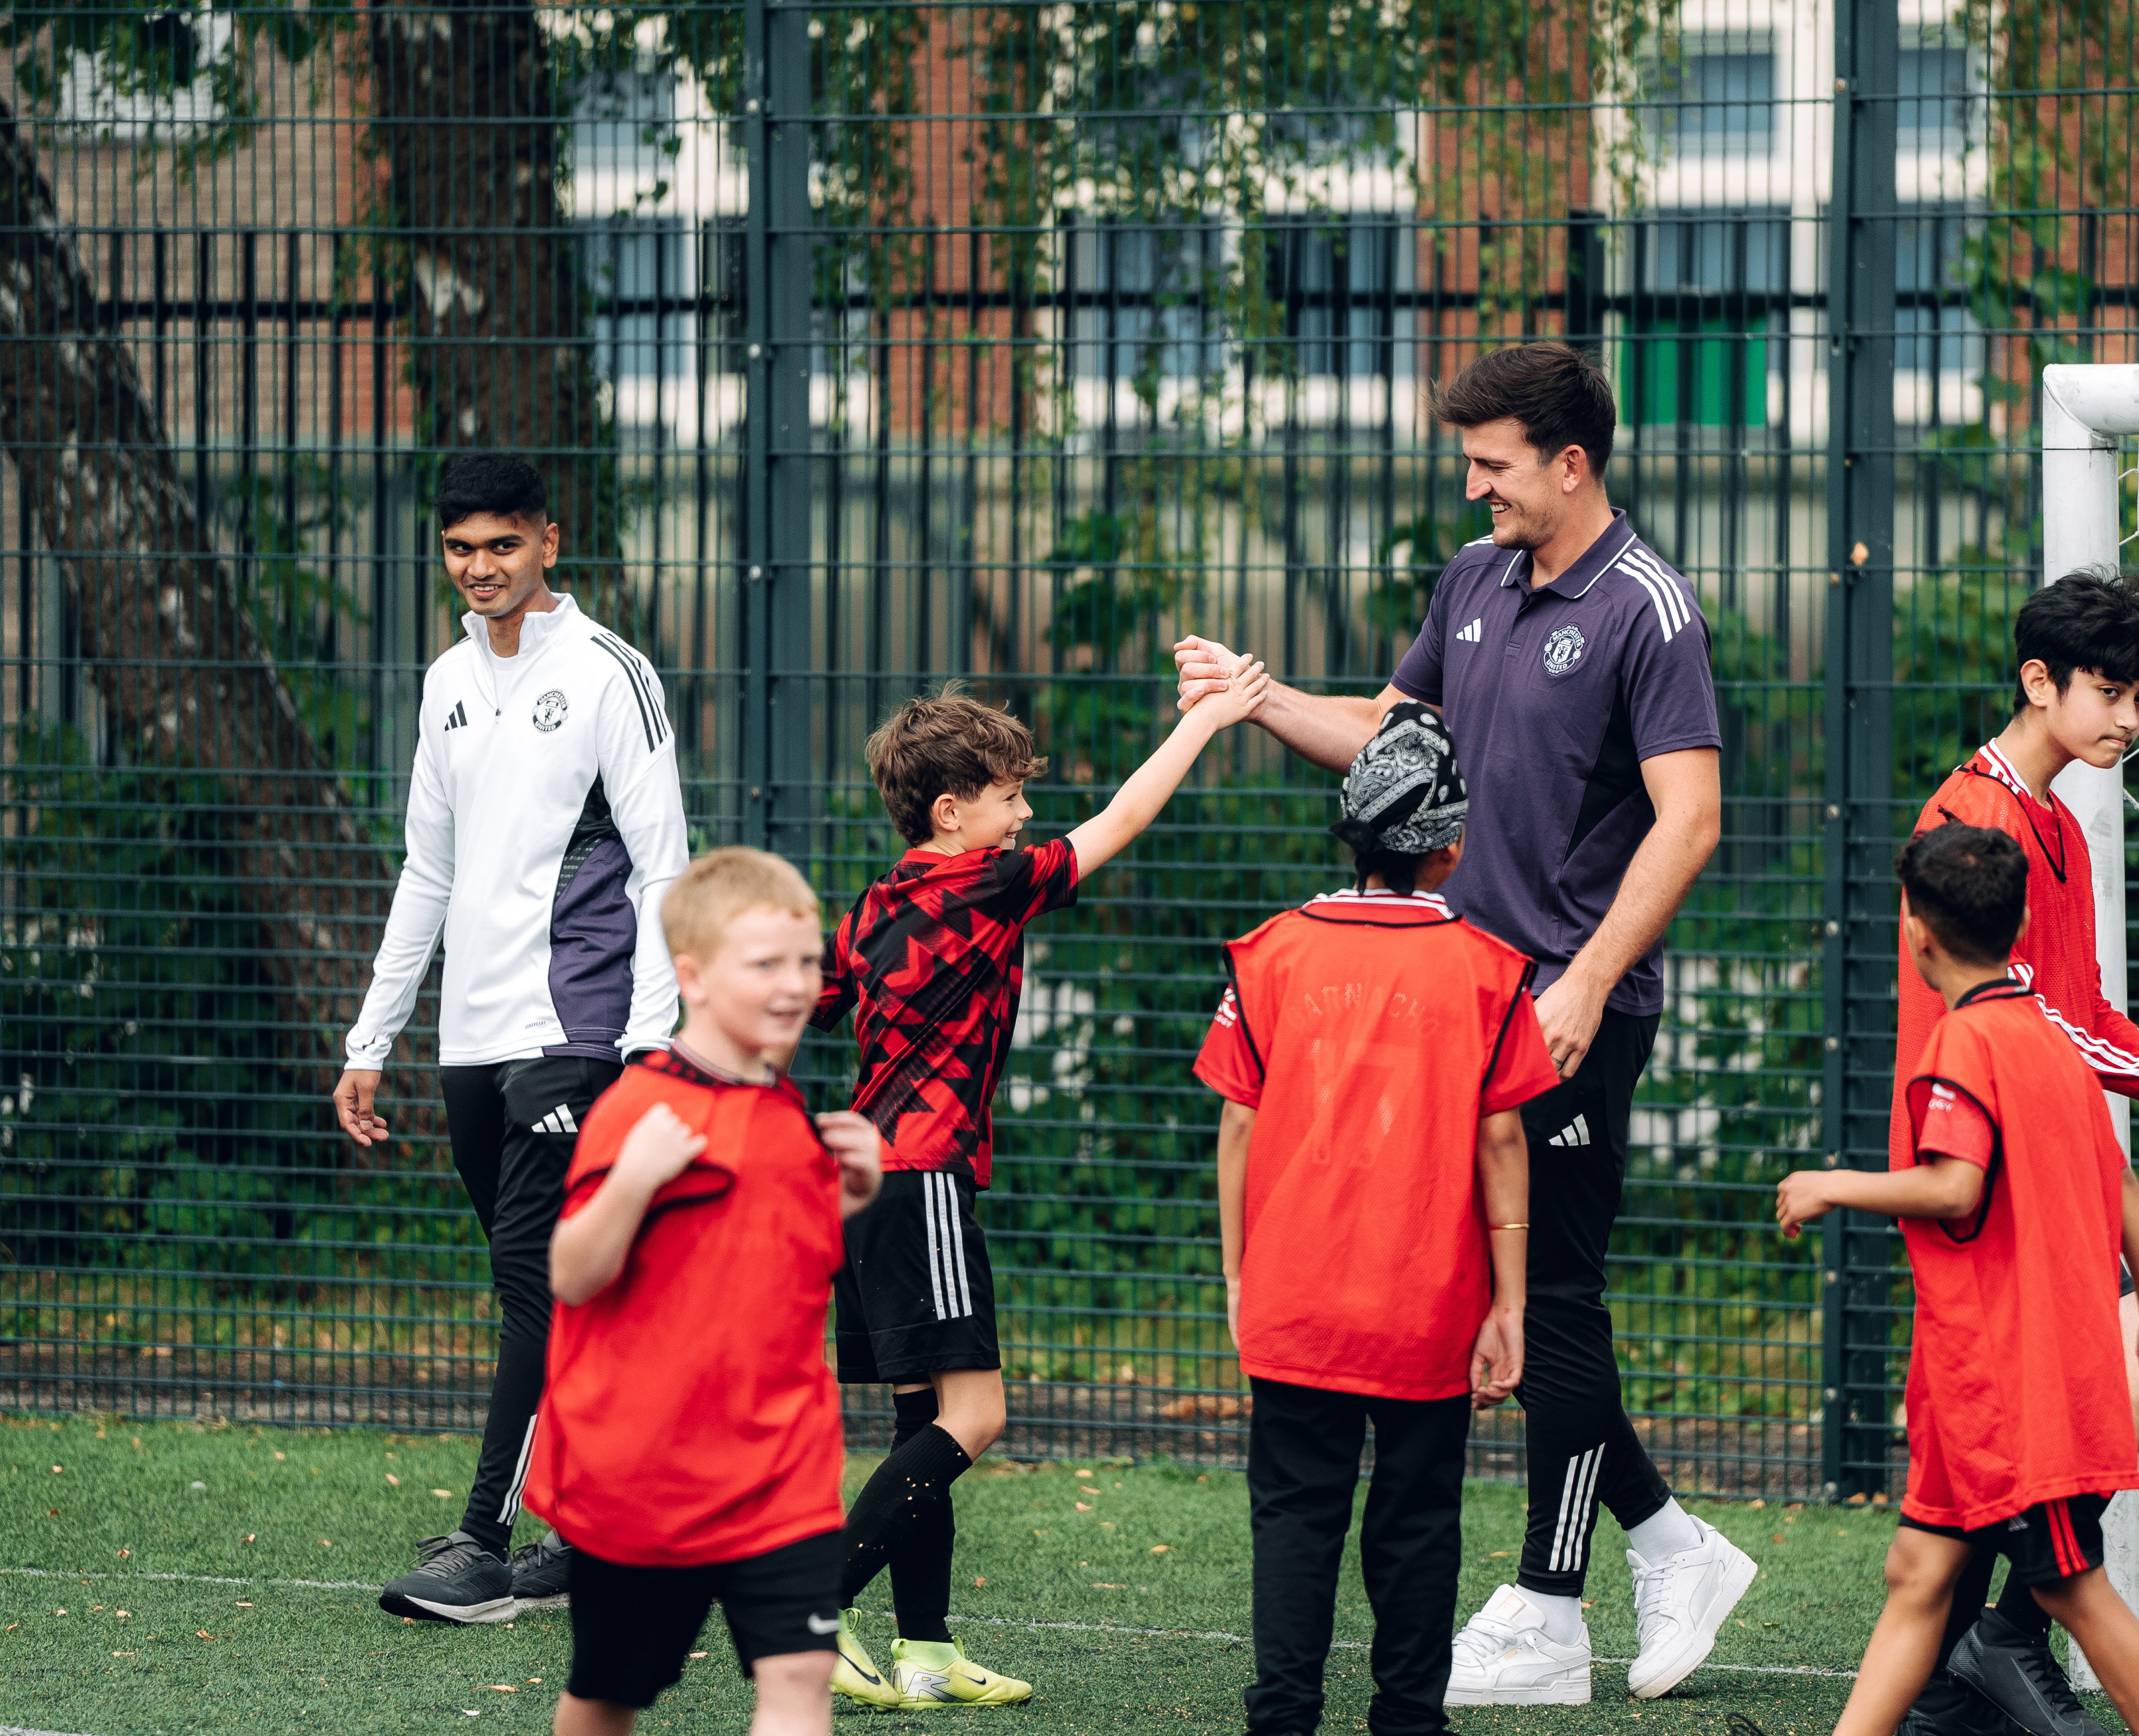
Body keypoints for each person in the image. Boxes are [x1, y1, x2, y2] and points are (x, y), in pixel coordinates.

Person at [1175, 341, 1749, 1705]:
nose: (1471, 483)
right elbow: (1385, 736)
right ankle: (1668, 1538)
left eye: (1491, 462)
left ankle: (1554, 1603)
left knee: (1548, 1300)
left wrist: (1589, 981)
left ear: (1570, 460)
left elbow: (1693, 817)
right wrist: (1258, 705)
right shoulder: (1474, 579)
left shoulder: (1647, 608)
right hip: (1457, 1001)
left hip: (1565, 1009)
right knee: (1503, 1295)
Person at [816, 666, 1270, 1711]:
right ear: (952, 812)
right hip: (918, 1178)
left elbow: (823, 999)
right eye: (1011, 797)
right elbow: (1119, 823)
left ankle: (924, 1649)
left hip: (872, 1187)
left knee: (922, 1415)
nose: (1027, 816)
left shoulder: (883, 895)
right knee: (975, 1417)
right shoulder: (987, 881)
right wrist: (1206, 718)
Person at [1891, 571, 2139, 1736]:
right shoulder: (1977, 820)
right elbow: (2028, 1019)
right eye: (2109, 692)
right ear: (2038, 681)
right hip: (1975, 1184)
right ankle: (1999, 1646)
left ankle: (1985, 1656)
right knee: (2033, 1450)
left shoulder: (2055, 822)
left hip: (2038, 1172)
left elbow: (2085, 1009)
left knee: (2049, 1439)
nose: (2128, 720)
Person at [333, 453, 691, 1623]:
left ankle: (484, 1544)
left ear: (549, 540)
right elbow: (427, 871)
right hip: (471, 1042)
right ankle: (617, 1531)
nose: (480, 568)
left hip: (580, 1035)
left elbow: (664, 866)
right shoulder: (443, 682)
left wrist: (647, 1046)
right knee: (576, 1299)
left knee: (535, 1290)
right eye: (459, 549)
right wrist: (373, 1036)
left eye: (502, 544)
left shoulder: (608, 675)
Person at [1776, 822, 2139, 1736]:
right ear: (2014, 928)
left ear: (1916, 933)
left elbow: (1954, 1183)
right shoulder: (2051, 1035)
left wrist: (1830, 1184)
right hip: (1993, 1386)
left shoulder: (1960, 1045)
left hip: (2011, 1391)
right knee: (1918, 1577)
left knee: (2074, 1593)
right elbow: (2118, 1176)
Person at [1193, 705, 1554, 1733]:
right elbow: (1501, 1144)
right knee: (1417, 1522)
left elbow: (1236, 1128)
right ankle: (1407, 1719)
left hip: (1295, 1299)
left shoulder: (1268, 956)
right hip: (1428, 1307)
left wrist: (1235, 1277)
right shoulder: (1491, 972)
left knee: (1294, 1516)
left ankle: (1283, 1717)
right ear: (1449, 844)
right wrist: (1511, 1306)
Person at [526, 847, 883, 1736]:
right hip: (649, 1477)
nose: (796, 984)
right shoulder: (638, 1109)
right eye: (765, 965)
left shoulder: (796, 1117)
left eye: (807, 962)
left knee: (800, 1678)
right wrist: (631, 1181)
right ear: (691, 975)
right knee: (609, 1696)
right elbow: (571, 1273)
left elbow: (777, 1279)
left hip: (782, 1471)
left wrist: (850, 1200)